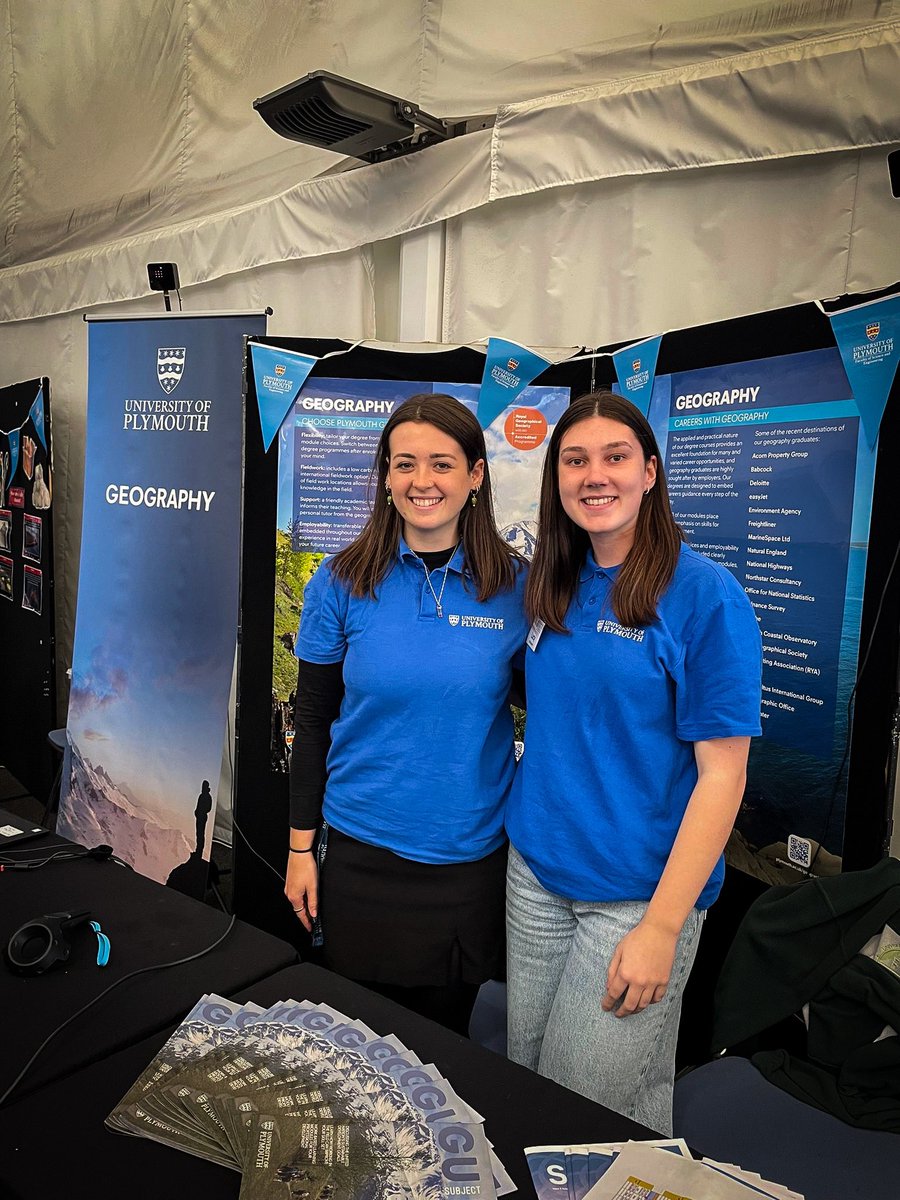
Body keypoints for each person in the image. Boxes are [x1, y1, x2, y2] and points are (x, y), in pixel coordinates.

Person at [505, 391, 762, 1134]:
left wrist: (662, 928)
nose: (595, 475)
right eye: (575, 460)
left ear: (650, 471)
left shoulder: (704, 596)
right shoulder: (552, 580)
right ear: (557, 479)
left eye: (615, 457)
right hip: (537, 876)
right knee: (534, 1077)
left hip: (635, 899)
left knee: (571, 1105)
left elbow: (725, 776)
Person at [286, 393, 527, 1034]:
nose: (422, 481)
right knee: (352, 1047)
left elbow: (559, 705)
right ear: (386, 476)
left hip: (467, 862)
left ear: (475, 475)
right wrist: (300, 850)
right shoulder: (340, 581)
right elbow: (311, 721)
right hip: (360, 855)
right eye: (405, 464)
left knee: (443, 1050)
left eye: (442, 464)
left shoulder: (517, 588)